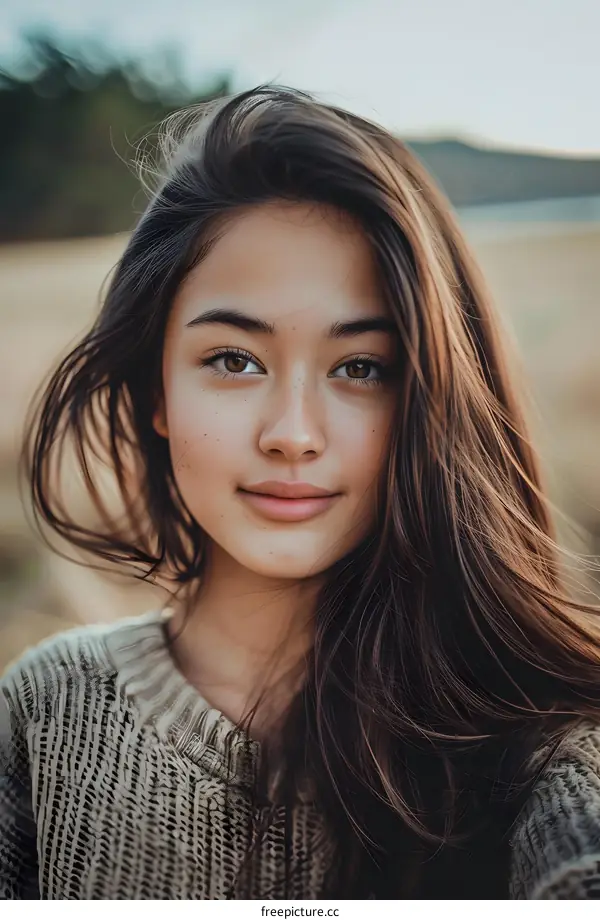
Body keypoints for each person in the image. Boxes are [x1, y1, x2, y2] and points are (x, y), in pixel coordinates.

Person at [2, 85, 600, 901]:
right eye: (234, 360)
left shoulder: (542, 745)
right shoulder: (42, 715)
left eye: (361, 368)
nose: (293, 432)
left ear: (428, 400)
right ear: (155, 388)